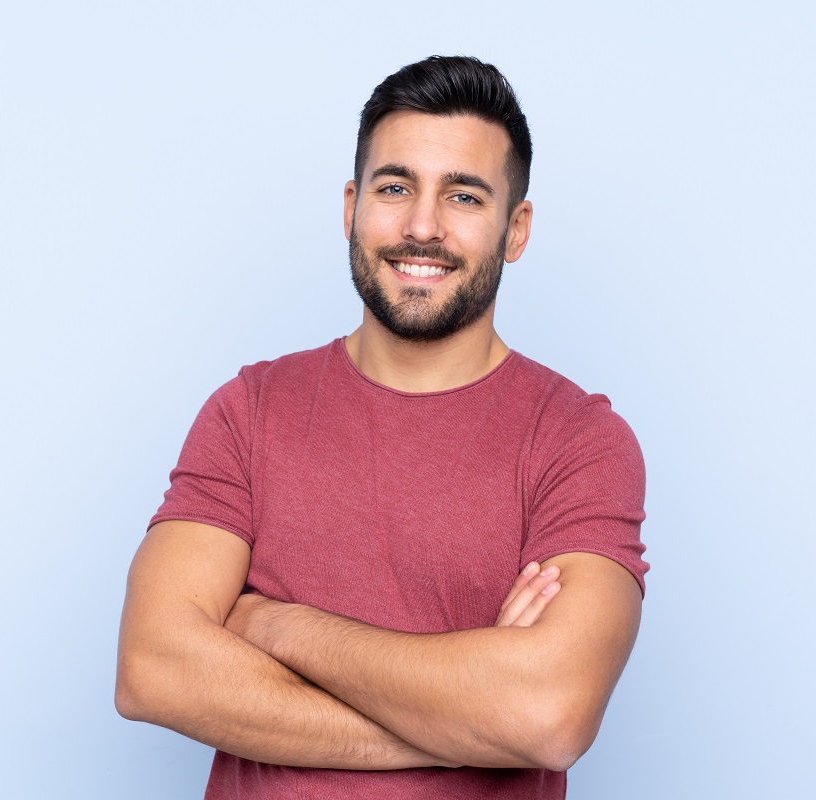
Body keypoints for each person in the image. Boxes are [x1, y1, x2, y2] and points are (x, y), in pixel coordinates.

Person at [115, 55, 648, 799]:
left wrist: (278, 627)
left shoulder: (577, 441)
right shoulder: (250, 410)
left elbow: (547, 715)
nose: (421, 227)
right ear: (350, 207)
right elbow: (153, 669)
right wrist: (466, 722)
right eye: (394, 187)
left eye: (463, 196)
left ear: (515, 229)